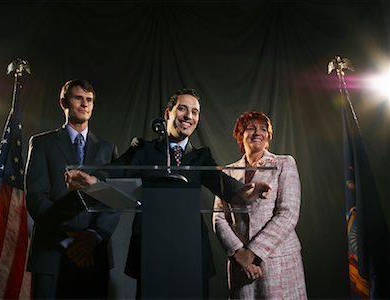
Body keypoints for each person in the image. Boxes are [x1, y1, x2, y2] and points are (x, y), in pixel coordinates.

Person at [66, 89, 271, 299]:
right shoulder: (143, 149)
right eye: (182, 109)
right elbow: (116, 169)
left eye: (194, 112)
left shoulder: (201, 156)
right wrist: (92, 180)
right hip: (151, 251)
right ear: (168, 114)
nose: (188, 116)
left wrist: (245, 192)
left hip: (191, 253)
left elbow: (223, 184)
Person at [25, 79, 119, 299]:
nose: (84, 104)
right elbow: (36, 197)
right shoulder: (42, 144)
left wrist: (93, 237)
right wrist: (67, 241)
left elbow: (114, 200)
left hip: (93, 255)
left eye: (89, 100)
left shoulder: (107, 149)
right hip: (51, 252)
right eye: (78, 98)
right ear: (63, 103)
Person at [213, 111, 307, 299]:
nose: (258, 132)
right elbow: (218, 217)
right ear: (240, 135)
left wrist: (252, 252)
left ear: (268, 137)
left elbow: (288, 214)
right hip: (241, 266)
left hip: (278, 262)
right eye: (251, 128)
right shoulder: (227, 173)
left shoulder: (284, 164)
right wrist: (239, 254)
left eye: (263, 129)